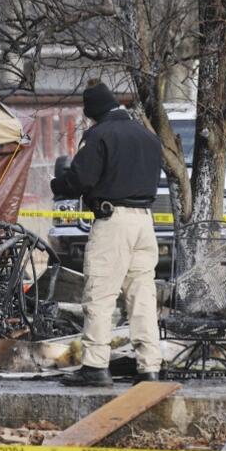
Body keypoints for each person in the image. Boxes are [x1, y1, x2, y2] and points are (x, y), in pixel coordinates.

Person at [50, 83, 163, 387]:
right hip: (144, 223)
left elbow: (81, 178)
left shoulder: (99, 135)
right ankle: (149, 367)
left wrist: (58, 183)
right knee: (141, 297)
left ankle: (95, 366)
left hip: (113, 222)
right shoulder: (148, 137)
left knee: (99, 295)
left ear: (93, 112)